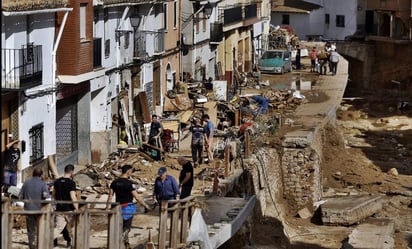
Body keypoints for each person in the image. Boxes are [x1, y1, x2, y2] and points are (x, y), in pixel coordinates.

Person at [106, 165, 151, 249]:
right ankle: (124, 241)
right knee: (126, 228)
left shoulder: (114, 182)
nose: (132, 173)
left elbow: (110, 195)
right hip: (128, 208)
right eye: (131, 171)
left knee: (119, 226)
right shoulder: (129, 184)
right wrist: (146, 205)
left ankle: (119, 244)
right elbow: (137, 197)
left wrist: (108, 207)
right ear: (128, 172)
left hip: (117, 208)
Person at [19, 167, 50, 249]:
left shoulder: (26, 183)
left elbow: (20, 197)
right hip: (40, 210)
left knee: (31, 229)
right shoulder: (43, 184)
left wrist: (25, 204)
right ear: (41, 175)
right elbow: (47, 198)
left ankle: (31, 245)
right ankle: (41, 244)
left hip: (28, 209)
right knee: (41, 228)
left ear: (33, 173)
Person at [53, 164, 78, 248]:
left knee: (58, 229)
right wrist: (77, 208)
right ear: (71, 171)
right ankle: (75, 245)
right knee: (73, 227)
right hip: (69, 210)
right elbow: (72, 196)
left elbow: (53, 194)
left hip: (59, 209)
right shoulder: (71, 183)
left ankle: (44, 241)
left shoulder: (57, 181)